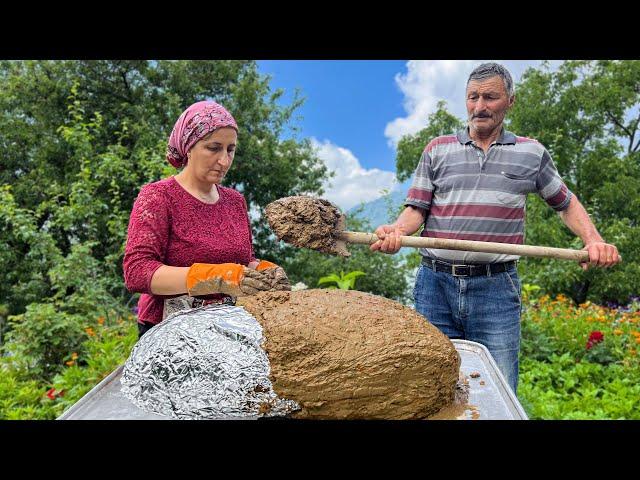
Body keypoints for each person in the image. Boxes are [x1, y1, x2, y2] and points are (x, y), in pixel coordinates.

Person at [370, 63, 621, 394]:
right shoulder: (437, 149)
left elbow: (566, 202)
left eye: (490, 97)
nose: (479, 106)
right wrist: (397, 232)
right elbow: (417, 209)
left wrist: (593, 240)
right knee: (430, 387)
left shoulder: (531, 153)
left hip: (496, 289)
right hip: (435, 286)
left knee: (497, 386)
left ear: (510, 101)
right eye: (472, 97)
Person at [123, 100, 290, 339]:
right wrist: (216, 278)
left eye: (230, 150)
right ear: (189, 147)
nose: (224, 160)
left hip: (228, 327)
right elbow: (137, 271)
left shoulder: (234, 201)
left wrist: (263, 270)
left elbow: (243, 260)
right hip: (169, 333)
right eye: (214, 148)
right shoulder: (159, 197)